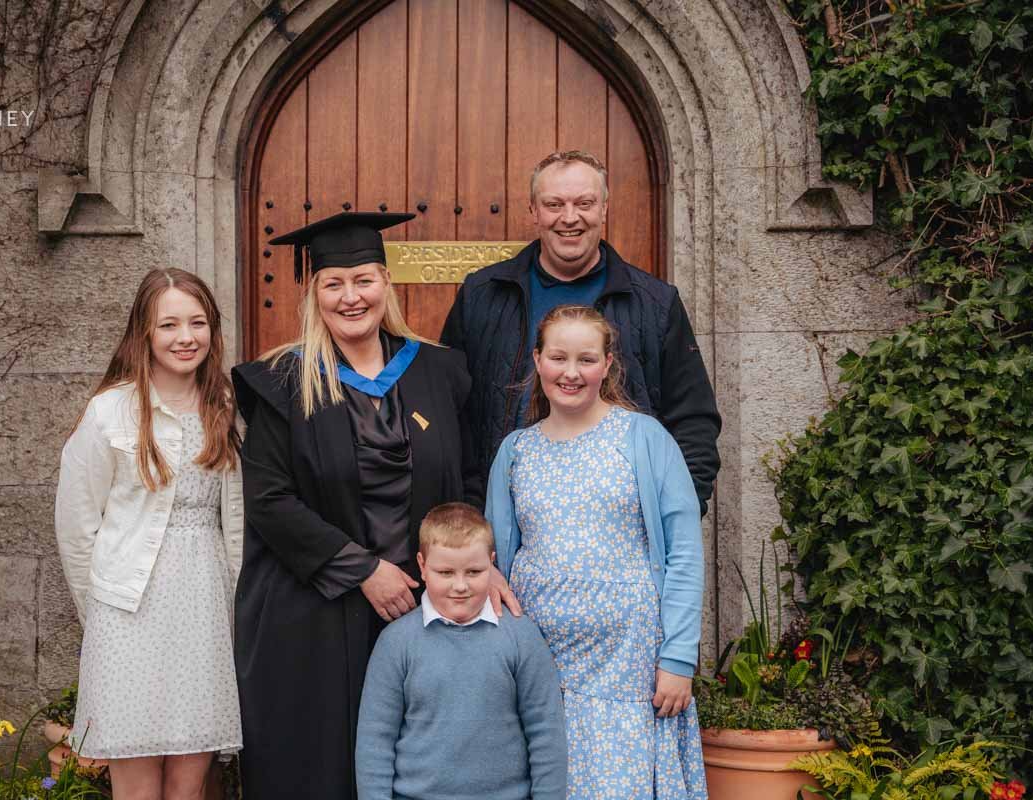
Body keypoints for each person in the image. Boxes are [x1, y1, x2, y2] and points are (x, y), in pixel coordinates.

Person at [232, 212, 508, 800]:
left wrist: (460, 564)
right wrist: (363, 569)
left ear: (387, 283)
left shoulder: (440, 371)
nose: (351, 297)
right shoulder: (281, 381)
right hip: (313, 612)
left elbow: (469, 478)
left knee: (419, 762)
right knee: (319, 768)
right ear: (314, 295)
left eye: (364, 279)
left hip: (419, 607)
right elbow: (270, 501)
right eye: (334, 284)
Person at [486, 305, 707, 800]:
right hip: (543, 667)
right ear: (537, 361)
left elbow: (685, 554)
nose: (571, 372)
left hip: (628, 668)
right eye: (558, 357)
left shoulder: (644, 439)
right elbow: (495, 554)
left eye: (586, 359)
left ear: (608, 365)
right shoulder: (516, 451)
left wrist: (677, 659)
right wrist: (492, 577)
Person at [440, 150, 721, 515]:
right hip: (504, 521)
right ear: (534, 211)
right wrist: (472, 517)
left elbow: (693, 421)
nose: (569, 218)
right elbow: (450, 412)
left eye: (584, 203)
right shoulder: (482, 295)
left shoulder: (655, 303)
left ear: (604, 209)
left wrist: (674, 515)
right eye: (554, 204)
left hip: (621, 528)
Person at [54, 268, 244, 799]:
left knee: (190, 785)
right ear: (144, 332)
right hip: (128, 612)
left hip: (203, 605)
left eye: (198, 322)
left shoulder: (224, 407)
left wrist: (235, 598)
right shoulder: (109, 410)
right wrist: (100, 618)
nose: (186, 337)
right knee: (137, 788)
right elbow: (75, 527)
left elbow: (235, 521)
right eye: (170, 325)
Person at [355, 503, 567, 800]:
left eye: (474, 571)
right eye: (445, 572)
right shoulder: (396, 643)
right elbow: (375, 740)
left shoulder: (521, 637)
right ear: (422, 567)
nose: (460, 585)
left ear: (491, 565)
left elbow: (546, 733)